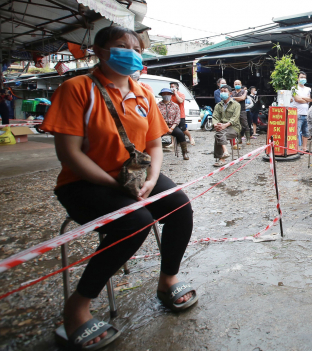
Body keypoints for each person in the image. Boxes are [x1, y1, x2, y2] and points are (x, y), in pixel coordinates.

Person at [40, 26, 196, 349]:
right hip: (84, 182)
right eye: (122, 46)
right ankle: (77, 307)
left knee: (180, 206)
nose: (131, 52)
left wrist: (152, 180)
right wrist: (112, 183)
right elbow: (68, 153)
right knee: (135, 221)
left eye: (136, 48)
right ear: (99, 50)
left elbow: (154, 145)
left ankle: (167, 281)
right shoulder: (77, 89)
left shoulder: (143, 94)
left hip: (134, 178)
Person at [213, 85, 241, 167]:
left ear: (230, 93)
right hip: (222, 127)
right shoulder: (218, 105)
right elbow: (215, 117)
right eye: (221, 91)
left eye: (225, 91)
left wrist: (225, 125)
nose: (222, 93)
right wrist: (215, 124)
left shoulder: (236, 105)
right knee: (219, 133)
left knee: (219, 134)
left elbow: (235, 118)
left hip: (234, 127)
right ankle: (224, 154)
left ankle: (222, 158)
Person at [158, 88, 189, 160]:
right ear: (161, 95)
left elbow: (177, 118)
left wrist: (172, 128)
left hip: (172, 126)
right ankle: (156, 154)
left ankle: (185, 152)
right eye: (164, 94)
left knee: (181, 134)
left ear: (171, 95)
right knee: (154, 136)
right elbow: (156, 118)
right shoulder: (157, 106)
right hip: (161, 126)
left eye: (168, 94)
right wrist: (164, 127)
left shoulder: (175, 106)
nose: (166, 95)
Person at [169, 81, 195, 146]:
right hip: (172, 115)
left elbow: (180, 100)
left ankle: (190, 137)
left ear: (177, 87)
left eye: (173, 87)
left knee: (183, 128)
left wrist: (176, 93)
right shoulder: (170, 95)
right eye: (170, 87)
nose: (171, 88)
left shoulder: (181, 94)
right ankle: (172, 142)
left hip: (180, 114)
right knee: (172, 128)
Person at [293, 72, 312, 152]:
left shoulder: (308, 89)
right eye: (301, 77)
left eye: (304, 77)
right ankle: (297, 149)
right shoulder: (294, 88)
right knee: (296, 133)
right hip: (297, 114)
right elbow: (297, 99)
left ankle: (304, 148)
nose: (303, 79)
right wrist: (306, 99)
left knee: (306, 133)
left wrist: (302, 98)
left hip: (306, 114)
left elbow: (311, 99)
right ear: (297, 79)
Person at [231, 79, 251, 146]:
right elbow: (230, 99)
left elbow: (243, 98)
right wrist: (238, 98)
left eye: (238, 84)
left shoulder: (244, 91)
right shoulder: (232, 92)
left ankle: (248, 139)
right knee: (237, 125)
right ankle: (239, 138)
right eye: (235, 84)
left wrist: (234, 98)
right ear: (233, 85)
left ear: (241, 85)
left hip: (242, 110)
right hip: (234, 111)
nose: (237, 85)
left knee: (245, 124)